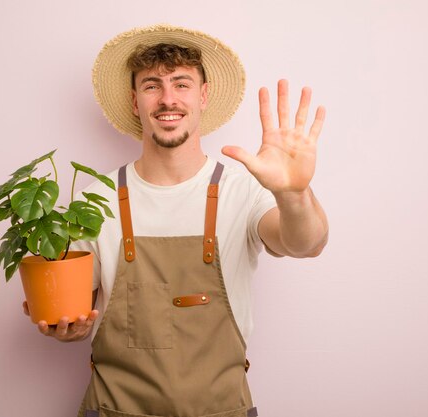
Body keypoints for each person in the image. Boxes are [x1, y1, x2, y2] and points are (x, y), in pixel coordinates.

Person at [24, 24, 328, 417]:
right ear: (135, 101)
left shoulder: (242, 190)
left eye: (182, 84)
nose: (168, 98)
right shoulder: (93, 203)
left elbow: (306, 243)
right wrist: (68, 329)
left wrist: (293, 192)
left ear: (203, 95)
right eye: (152, 85)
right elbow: (72, 311)